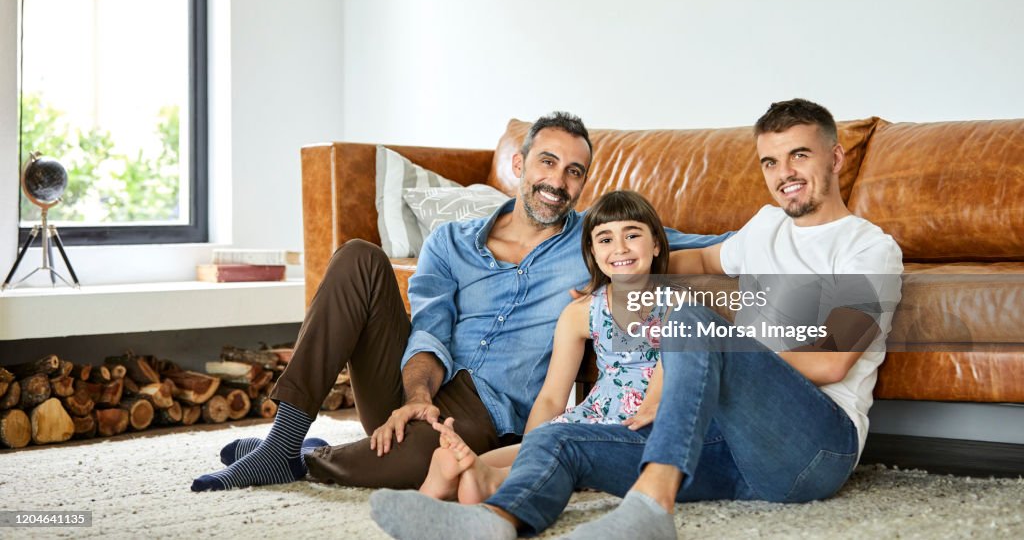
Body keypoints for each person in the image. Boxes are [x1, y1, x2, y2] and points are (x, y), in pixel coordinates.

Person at [369, 98, 905, 540]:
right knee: (562, 439)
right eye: (770, 162)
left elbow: (833, 362)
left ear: (834, 158)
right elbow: (694, 258)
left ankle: (653, 506)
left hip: (813, 448)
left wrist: (713, 342)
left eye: (799, 156)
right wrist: (617, 279)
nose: (784, 174)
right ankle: (494, 520)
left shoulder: (868, 249)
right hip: (727, 447)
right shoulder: (765, 229)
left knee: (693, 318)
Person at [191, 112, 726, 492]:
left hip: (486, 411)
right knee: (356, 256)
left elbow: (706, 248)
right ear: (520, 164)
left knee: (422, 464)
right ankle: (285, 440)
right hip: (413, 385)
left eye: (574, 172)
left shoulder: (600, 239)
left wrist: (798, 241)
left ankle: (304, 460)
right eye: (547, 162)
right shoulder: (451, 241)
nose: (557, 182)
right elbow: (429, 327)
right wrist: (418, 395)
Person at [418, 190, 674, 503]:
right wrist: (532, 445)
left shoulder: (677, 304)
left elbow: (669, 374)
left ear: (657, 243)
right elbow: (552, 396)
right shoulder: (582, 311)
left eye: (632, 235)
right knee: (547, 440)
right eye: (605, 239)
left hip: (640, 423)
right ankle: (462, 468)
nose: (620, 248)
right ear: (592, 252)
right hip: (596, 414)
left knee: (566, 452)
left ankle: (493, 480)